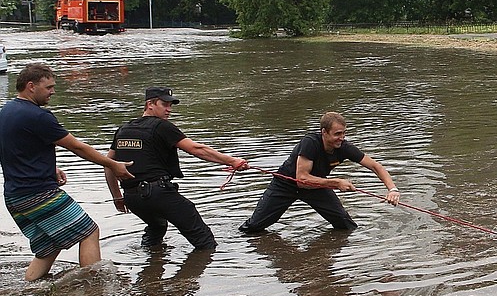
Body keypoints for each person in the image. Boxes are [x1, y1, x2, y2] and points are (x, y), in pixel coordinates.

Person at [0, 62, 134, 282]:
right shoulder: (38, 116)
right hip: (38, 194)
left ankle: (26, 290)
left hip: (15, 196)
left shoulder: (6, 111)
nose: (53, 92)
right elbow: (76, 146)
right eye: (49, 87)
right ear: (31, 86)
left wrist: (47, 166)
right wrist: (112, 165)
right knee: (89, 231)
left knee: (48, 246)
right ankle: (94, 294)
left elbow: (13, 148)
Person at [104, 87, 249, 251]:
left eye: (171, 105)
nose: (169, 110)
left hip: (132, 198)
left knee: (157, 227)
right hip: (159, 194)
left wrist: (117, 197)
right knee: (205, 242)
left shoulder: (124, 129)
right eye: (164, 104)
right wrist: (232, 161)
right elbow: (196, 149)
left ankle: (151, 266)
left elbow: (108, 164)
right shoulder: (161, 126)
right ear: (150, 104)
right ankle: (202, 268)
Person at [239, 111, 402, 234]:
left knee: (345, 225)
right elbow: (301, 179)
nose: (342, 138)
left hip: (316, 186)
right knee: (254, 227)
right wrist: (336, 183)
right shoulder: (310, 143)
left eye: (344, 133)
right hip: (286, 185)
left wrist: (392, 189)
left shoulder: (344, 147)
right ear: (324, 132)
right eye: (337, 134)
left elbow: (375, 166)